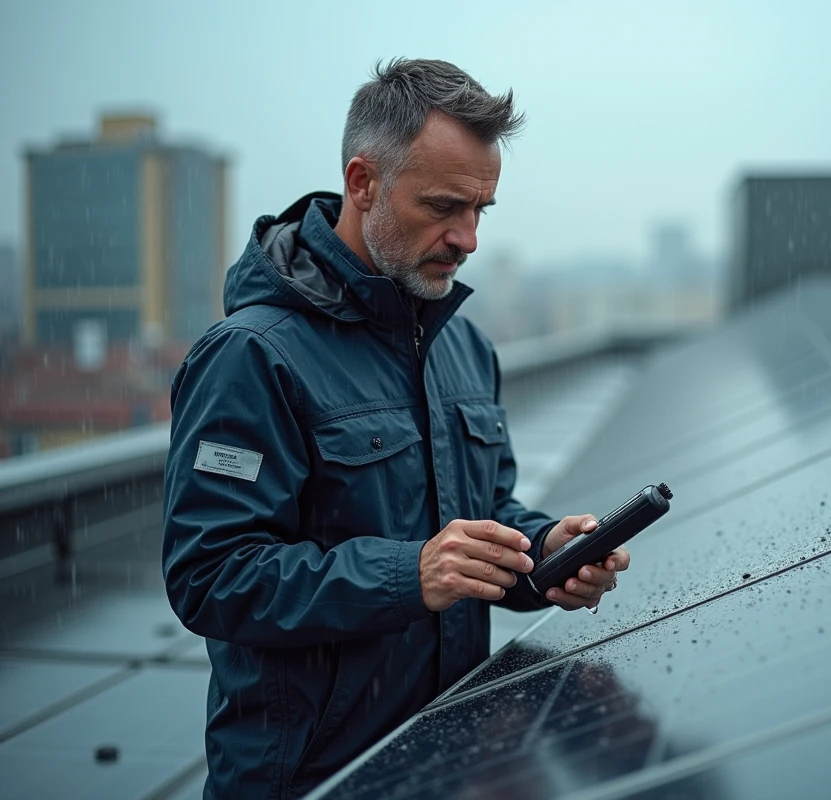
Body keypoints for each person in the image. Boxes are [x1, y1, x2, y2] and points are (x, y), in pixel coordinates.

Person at [161, 58, 630, 799]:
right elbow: (211, 575)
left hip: (447, 760)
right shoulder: (250, 356)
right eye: (444, 207)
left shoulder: (464, 345)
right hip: (310, 780)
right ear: (363, 183)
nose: (468, 238)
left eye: (481, 211)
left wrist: (544, 552)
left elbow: (483, 516)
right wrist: (407, 575)